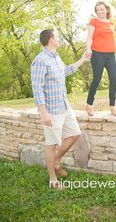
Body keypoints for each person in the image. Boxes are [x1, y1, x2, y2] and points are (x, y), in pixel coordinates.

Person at [30, 29, 88, 189]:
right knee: (51, 145)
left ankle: (55, 161)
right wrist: (43, 113)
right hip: (51, 111)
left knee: (75, 134)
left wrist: (83, 59)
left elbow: (66, 70)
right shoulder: (40, 61)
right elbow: (37, 88)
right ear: (50, 40)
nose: (59, 38)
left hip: (64, 106)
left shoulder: (56, 57)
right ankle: (53, 178)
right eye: (57, 36)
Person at [85, 1, 116, 117]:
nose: (100, 11)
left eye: (101, 9)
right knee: (97, 79)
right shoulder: (94, 21)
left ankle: (112, 106)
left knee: (114, 79)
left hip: (111, 54)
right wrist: (88, 49)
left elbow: (112, 39)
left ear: (106, 10)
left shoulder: (110, 23)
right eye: (97, 10)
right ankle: (89, 105)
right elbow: (89, 37)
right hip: (97, 54)